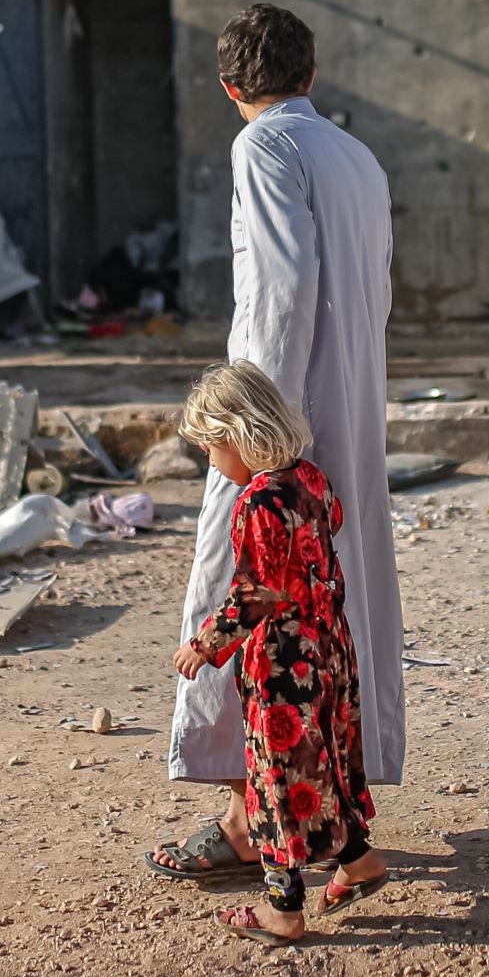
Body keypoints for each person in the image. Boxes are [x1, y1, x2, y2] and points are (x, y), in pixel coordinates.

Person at [147, 4, 404, 898]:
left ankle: (245, 823)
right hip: (351, 417)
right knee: (329, 615)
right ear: (314, 72)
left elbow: (280, 295)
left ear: (230, 89)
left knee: (242, 602)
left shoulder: (263, 148)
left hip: (284, 426)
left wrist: (258, 439)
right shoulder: (356, 157)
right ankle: (328, 820)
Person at [170, 361, 379, 943]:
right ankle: (358, 860)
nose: (211, 463)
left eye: (212, 449)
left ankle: (282, 909)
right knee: (328, 760)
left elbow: (257, 594)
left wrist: (203, 645)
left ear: (237, 435)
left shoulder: (259, 501)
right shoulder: (310, 479)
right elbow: (329, 526)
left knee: (276, 779)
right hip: (329, 646)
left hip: (283, 664)